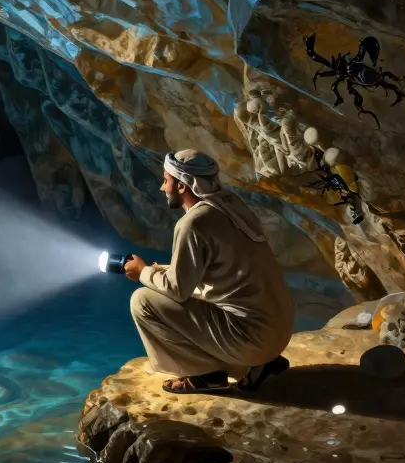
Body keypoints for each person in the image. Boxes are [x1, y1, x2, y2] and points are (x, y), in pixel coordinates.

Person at [123, 149, 295, 394]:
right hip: (277, 333)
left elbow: (177, 289)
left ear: (182, 186)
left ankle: (204, 375)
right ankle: (257, 365)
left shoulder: (192, 224)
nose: (163, 188)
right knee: (190, 294)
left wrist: (142, 273)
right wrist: (155, 269)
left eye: (166, 180)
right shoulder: (231, 206)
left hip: (253, 340)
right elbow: (211, 271)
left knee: (142, 301)